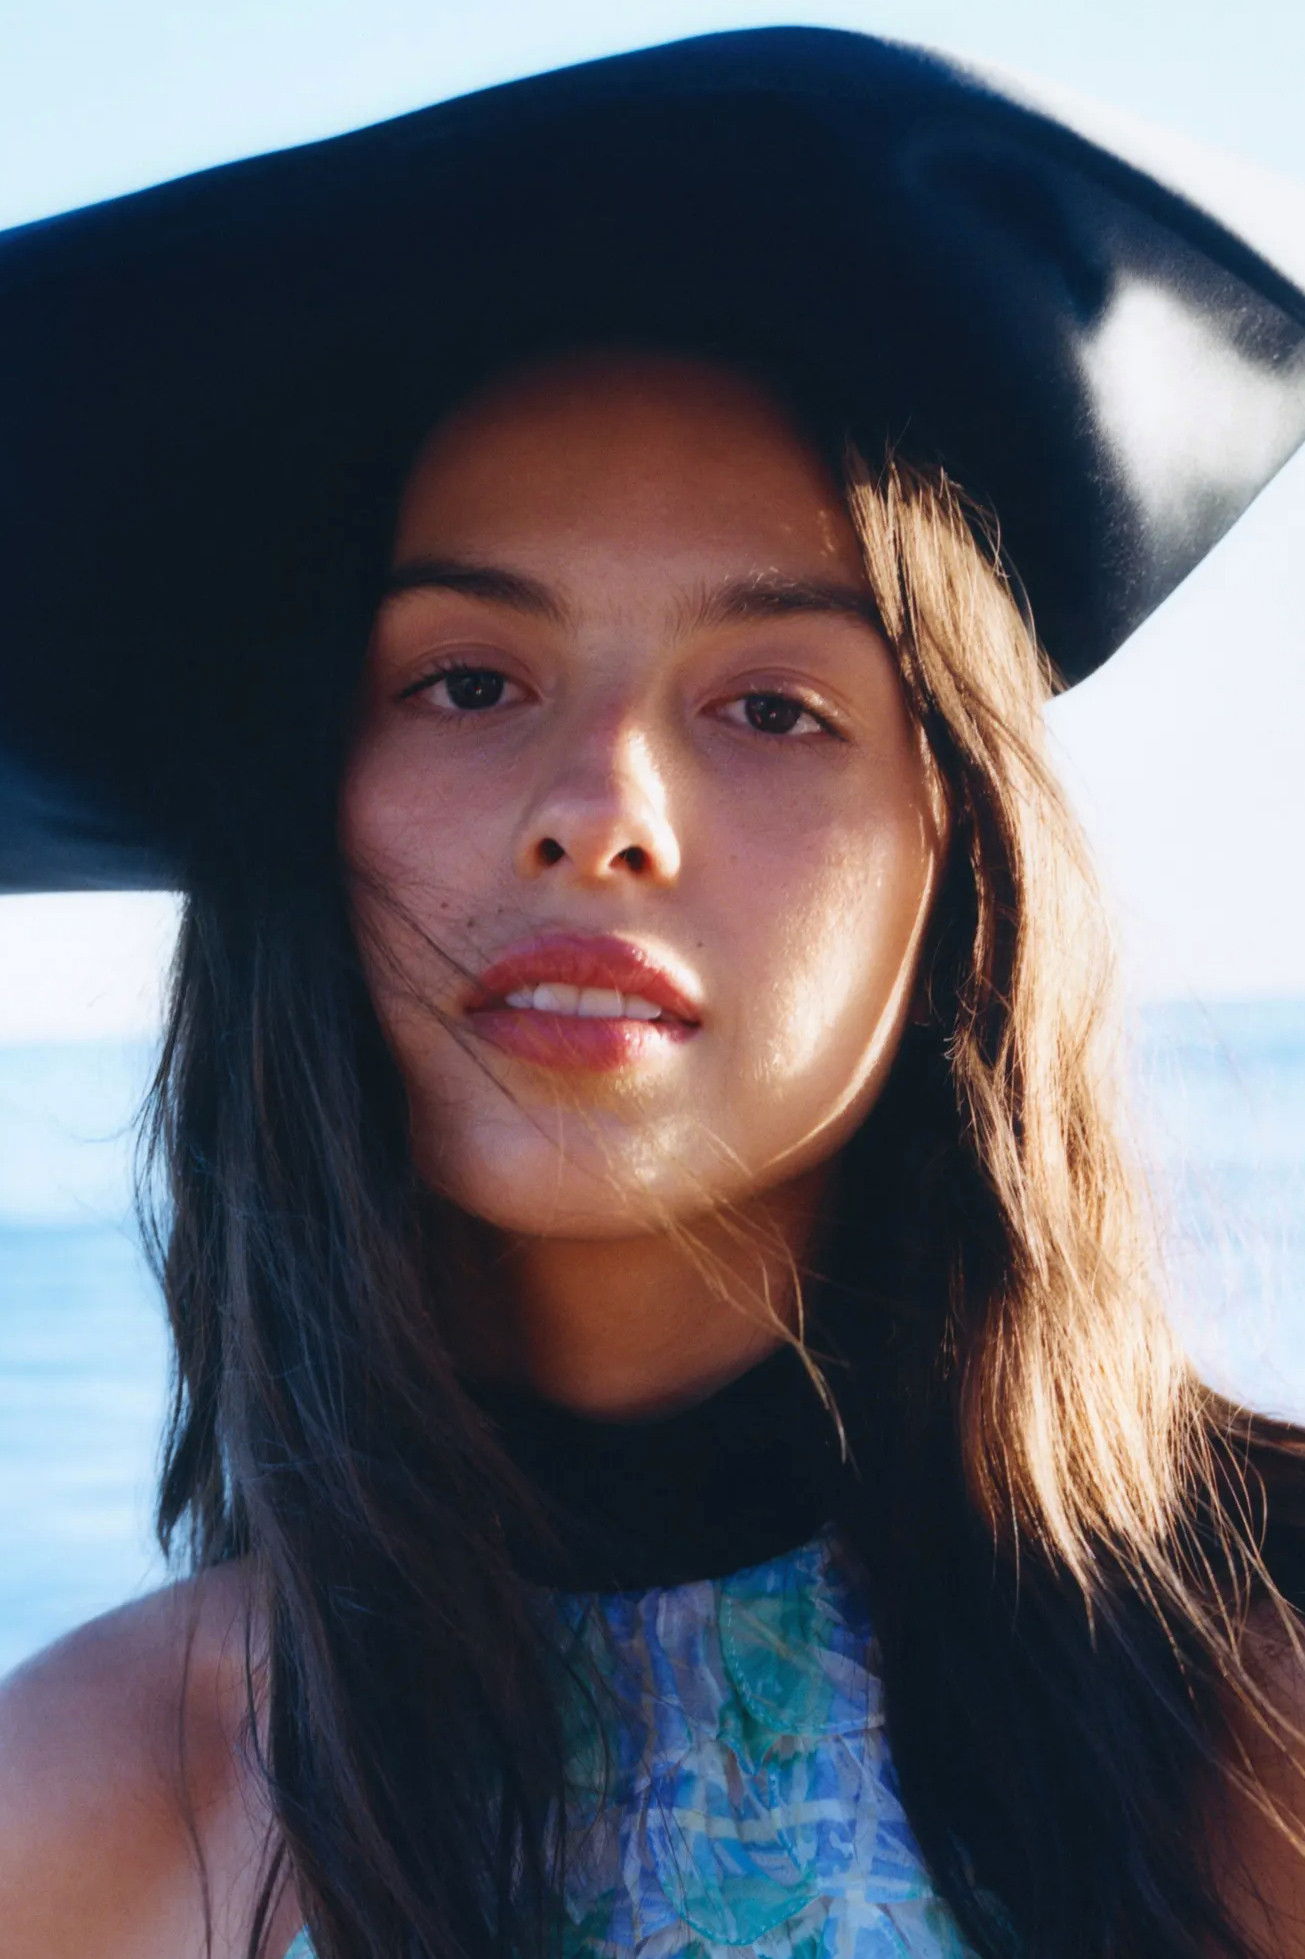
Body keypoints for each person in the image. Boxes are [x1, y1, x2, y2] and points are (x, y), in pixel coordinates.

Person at [2, 25, 1305, 1959]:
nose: (600, 809)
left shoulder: (1252, 1684)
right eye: (468, 682)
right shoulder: (92, 1805)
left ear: (953, 864)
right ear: (303, 806)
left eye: (770, 706)